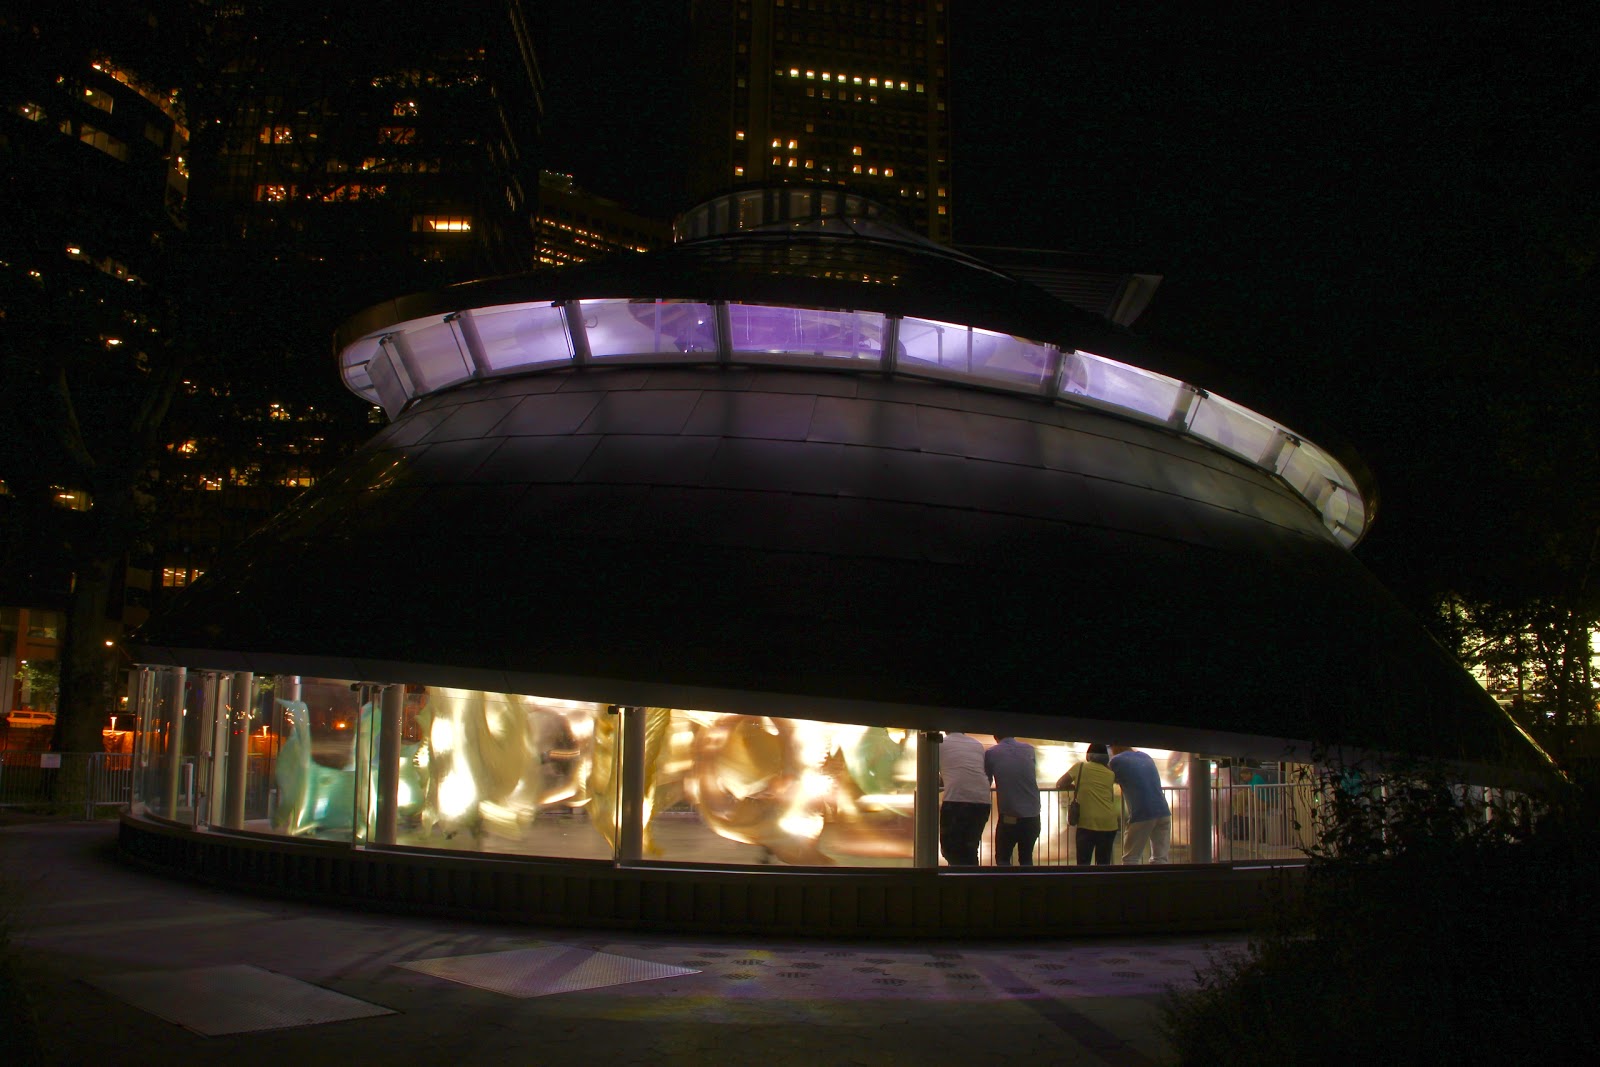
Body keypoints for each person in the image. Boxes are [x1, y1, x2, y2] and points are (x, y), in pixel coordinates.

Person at [1058, 743, 1119, 865]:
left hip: (1087, 824)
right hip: (1109, 823)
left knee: (1083, 865)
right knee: (1103, 864)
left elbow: (1060, 783)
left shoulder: (1079, 767)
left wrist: (1076, 787)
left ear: (1088, 755)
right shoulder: (1110, 774)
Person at [983, 735, 1040, 865]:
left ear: (995, 736)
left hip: (1010, 817)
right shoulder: (1029, 749)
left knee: (1003, 858)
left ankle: (1005, 884)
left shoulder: (992, 753)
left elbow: (986, 780)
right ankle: (1026, 884)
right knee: (1026, 858)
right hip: (1033, 816)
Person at [937, 731, 992, 865]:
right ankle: (972, 880)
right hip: (982, 799)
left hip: (956, 799)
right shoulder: (977, 744)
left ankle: (961, 882)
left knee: (949, 848)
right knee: (970, 847)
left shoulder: (939, 744)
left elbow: (932, 772)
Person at [1109, 746, 1171, 863]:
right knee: (1160, 858)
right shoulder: (1145, 756)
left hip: (1143, 813)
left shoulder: (1116, 761)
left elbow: (1107, 779)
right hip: (1163, 811)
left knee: (1130, 858)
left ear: (1114, 748)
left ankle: (1131, 881)